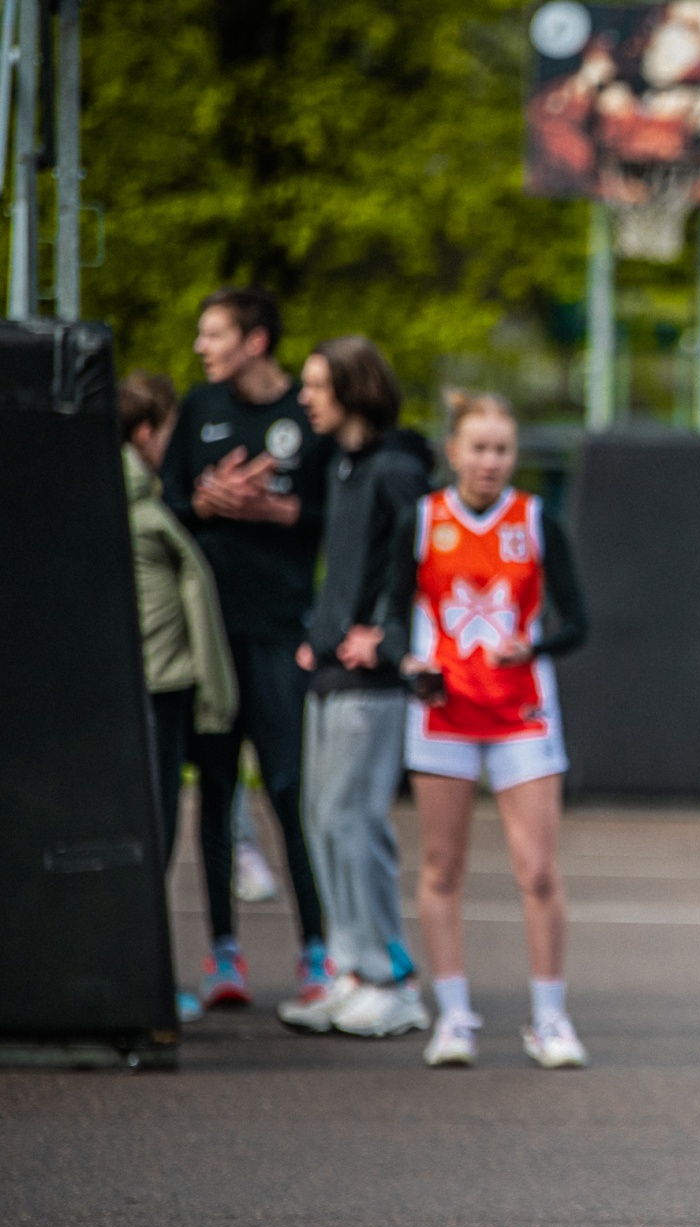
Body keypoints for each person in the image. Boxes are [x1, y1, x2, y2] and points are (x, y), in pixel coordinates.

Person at [379, 392, 589, 1070]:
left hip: (521, 715)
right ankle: (454, 1016)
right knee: (442, 866)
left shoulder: (535, 521)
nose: (490, 461)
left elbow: (576, 624)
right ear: (454, 451)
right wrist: (405, 662)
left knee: (538, 870)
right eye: (478, 448)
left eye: (502, 449)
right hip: (444, 714)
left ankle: (550, 1018)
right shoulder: (421, 521)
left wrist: (534, 648)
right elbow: (387, 618)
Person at [162, 286, 333, 1010]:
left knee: (290, 791)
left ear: (255, 341)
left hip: (280, 634)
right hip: (211, 640)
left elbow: (334, 517)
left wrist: (277, 509)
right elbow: (168, 502)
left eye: (215, 334)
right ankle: (224, 955)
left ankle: (317, 952)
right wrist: (205, 503)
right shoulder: (200, 408)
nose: (201, 347)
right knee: (215, 793)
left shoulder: (306, 414)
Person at [279, 337, 438, 1039]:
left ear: (353, 389)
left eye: (317, 385)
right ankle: (349, 969)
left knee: (355, 822)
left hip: (371, 682)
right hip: (330, 669)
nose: (305, 398)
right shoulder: (344, 466)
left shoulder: (397, 470)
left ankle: (390, 981)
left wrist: (383, 634)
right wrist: (323, 630)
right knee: (321, 818)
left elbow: (425, 563)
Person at [122, 370, 240, 1025]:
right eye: (167, 431)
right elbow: (193, 603)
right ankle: (143, 983)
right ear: (146, 433)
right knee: (154, 835)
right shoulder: (141, 511)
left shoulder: (129, 502)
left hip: (143, 688)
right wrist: (216, 697)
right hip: (158, 687)